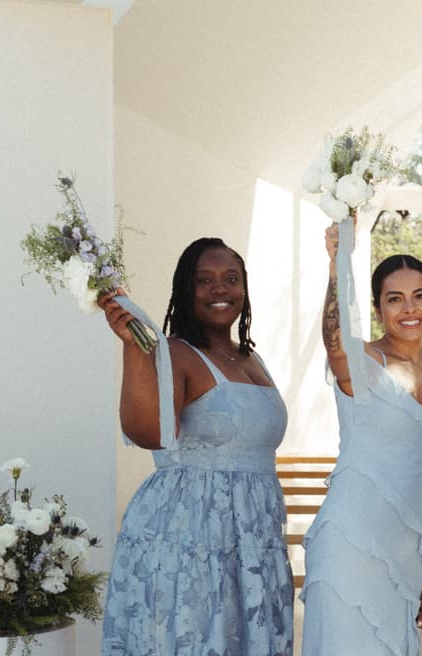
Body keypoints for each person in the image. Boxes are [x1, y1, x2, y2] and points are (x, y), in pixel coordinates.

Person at [98, 238, 294, 656]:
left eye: (231, 279)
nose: (220, 289)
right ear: (186, 289)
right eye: (204, 280)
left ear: (244, 288)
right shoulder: (176, 353)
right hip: (192, 536)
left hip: (251, 538)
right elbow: (147, 433)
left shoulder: (251, 358)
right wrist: (133, 347)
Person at [299, 222, 422, 656]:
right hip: (349, 543)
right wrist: (337, 265)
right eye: (394, 298)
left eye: (419, 296)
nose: (410, 308)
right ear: (377, 307)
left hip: (405, 558)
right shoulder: (364, 361)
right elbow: (334, 340)